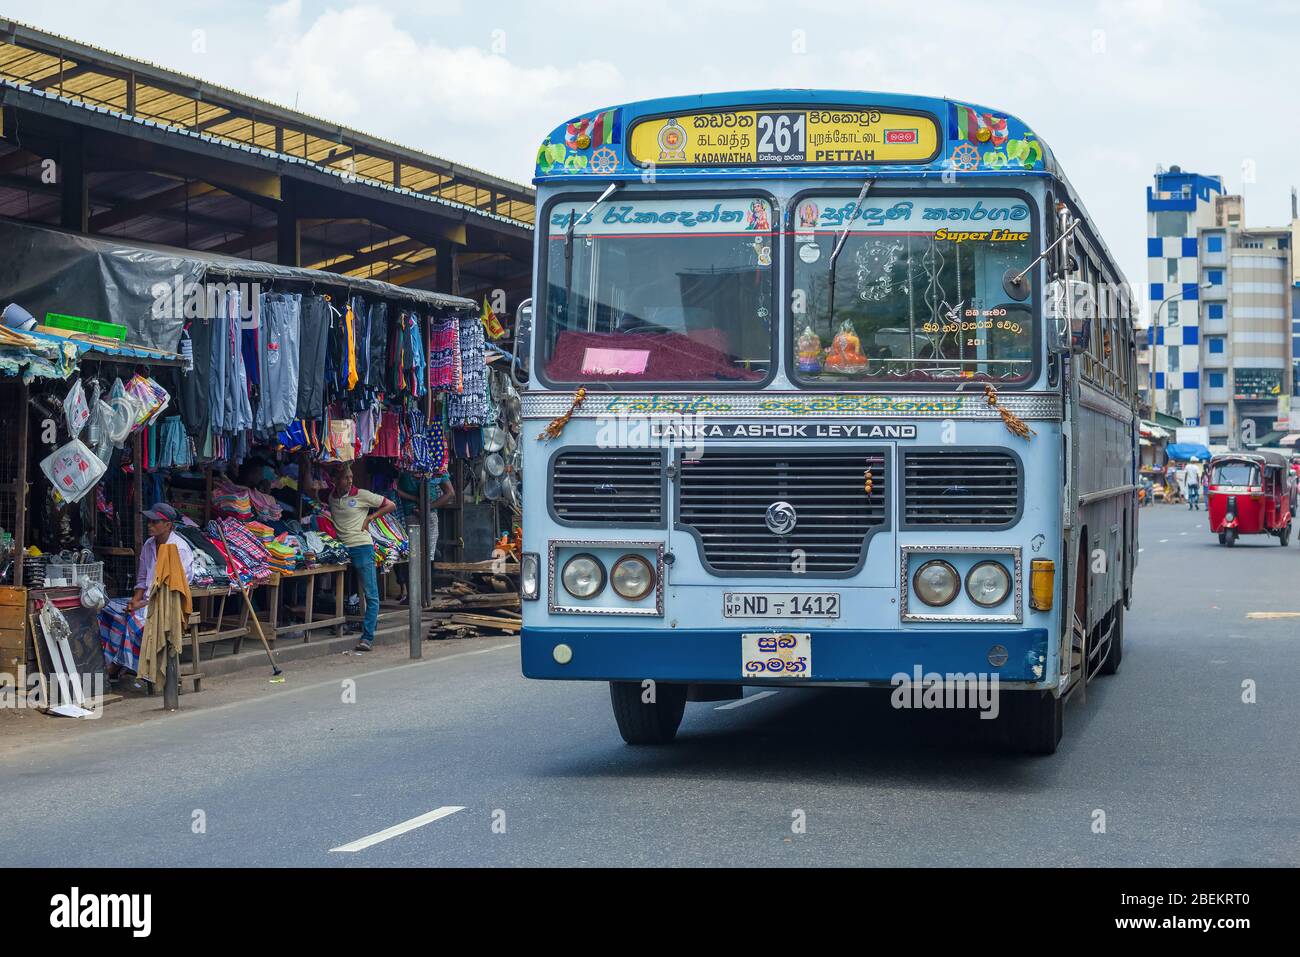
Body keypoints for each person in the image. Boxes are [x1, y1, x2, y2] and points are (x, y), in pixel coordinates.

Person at [98, 503, 196, 682]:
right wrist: (135, 601)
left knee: (132, 620)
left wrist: (142, 604)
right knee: (108, 610)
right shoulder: (149, 544)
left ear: (167, 525)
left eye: (154, 522)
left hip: (168, 604)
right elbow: (142, 579)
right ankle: (112, 661)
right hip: (146, 600)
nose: (149, 525)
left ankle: (119, 666)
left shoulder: (179, 549)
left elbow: (175, 588)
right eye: (149, 521)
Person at [321, 463, 395, 652]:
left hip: (362, 547)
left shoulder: (361, 494)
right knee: (345, 592)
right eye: (346, 477)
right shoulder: (332, 497)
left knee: (371, 594)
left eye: (351, 477)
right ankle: (347, 624)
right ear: (336, 481)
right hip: (342, 550)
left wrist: (371, 518)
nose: (350, 480)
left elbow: (390, 505)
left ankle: (368, 637)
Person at [394, 471, 456, 604]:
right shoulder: (404, 465)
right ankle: (413, 595)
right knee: (409, 556)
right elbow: (395, 490)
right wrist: (416, 500)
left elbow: (450, 493)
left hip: (429, 516)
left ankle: (424, 594)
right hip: (407, 515)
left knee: (428, 555)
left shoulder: (436, 468)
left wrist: (428, 508)